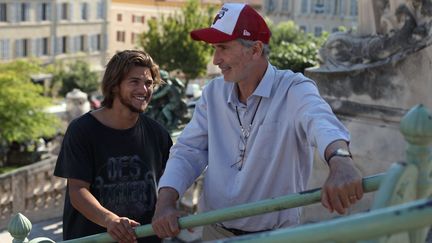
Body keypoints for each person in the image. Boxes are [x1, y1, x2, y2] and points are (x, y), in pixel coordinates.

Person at [151, 3, 363, 240]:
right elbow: (189, 151)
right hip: (214, 231)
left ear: (255, 50)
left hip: (276, 237)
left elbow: (320, 120)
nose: (215, 59)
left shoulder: (293, 88)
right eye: (214, 48)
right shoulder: (213, 93)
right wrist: (165, 201)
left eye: (222, 48)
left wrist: (341, 160)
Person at [54, 50, 173, 243]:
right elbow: (77, 191)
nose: (144, 90)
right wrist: (110, 220)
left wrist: (170, 207)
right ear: (115, 85)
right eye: (134, 82)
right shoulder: (81, 131)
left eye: (149, 83)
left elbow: (170, 181)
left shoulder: (157, 133)